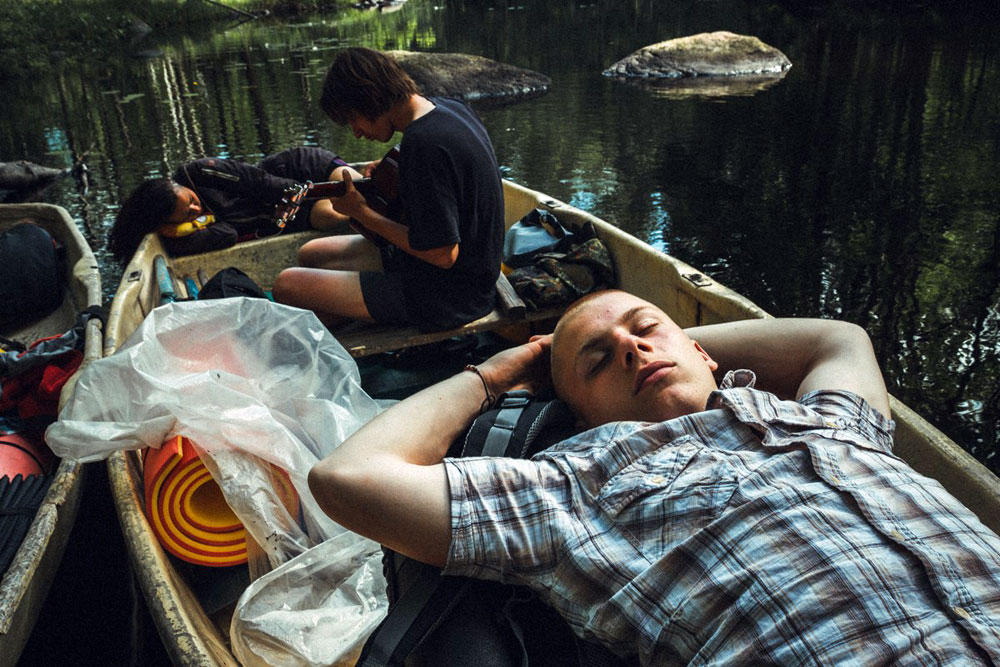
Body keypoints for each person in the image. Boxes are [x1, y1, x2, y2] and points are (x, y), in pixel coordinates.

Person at [308, 289, 1000, 665]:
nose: (634, 348)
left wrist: (673, 347)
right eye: (600, 361)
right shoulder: (575, 489)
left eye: (647, 329)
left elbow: (841, 338)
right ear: (579, 417)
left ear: (701, 348)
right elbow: (349, 477)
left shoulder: (826, 419)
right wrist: (500, 373)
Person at [271, 48, 504, 332]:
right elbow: (449, 174)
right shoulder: (448, 108)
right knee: (312, 254)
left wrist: (361, 213)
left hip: (449, 296)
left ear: (369, 98)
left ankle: (366, 318)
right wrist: (396, 167)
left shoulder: (423, 144)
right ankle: (358, 311)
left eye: (353, 118)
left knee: (287, 285)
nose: (356, 131)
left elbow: (443, 254)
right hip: (467, 274)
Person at [108, 146, 357, 261]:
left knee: (357, 187)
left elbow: (264, 183)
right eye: (187, 214)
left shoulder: (200, 172)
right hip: (284, 217)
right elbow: (227, 234)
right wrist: (184, 233)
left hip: (299, 173)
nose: (195, 210)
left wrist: (324, 192)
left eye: (192, 201)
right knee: (332, 216)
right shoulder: (183, 234)